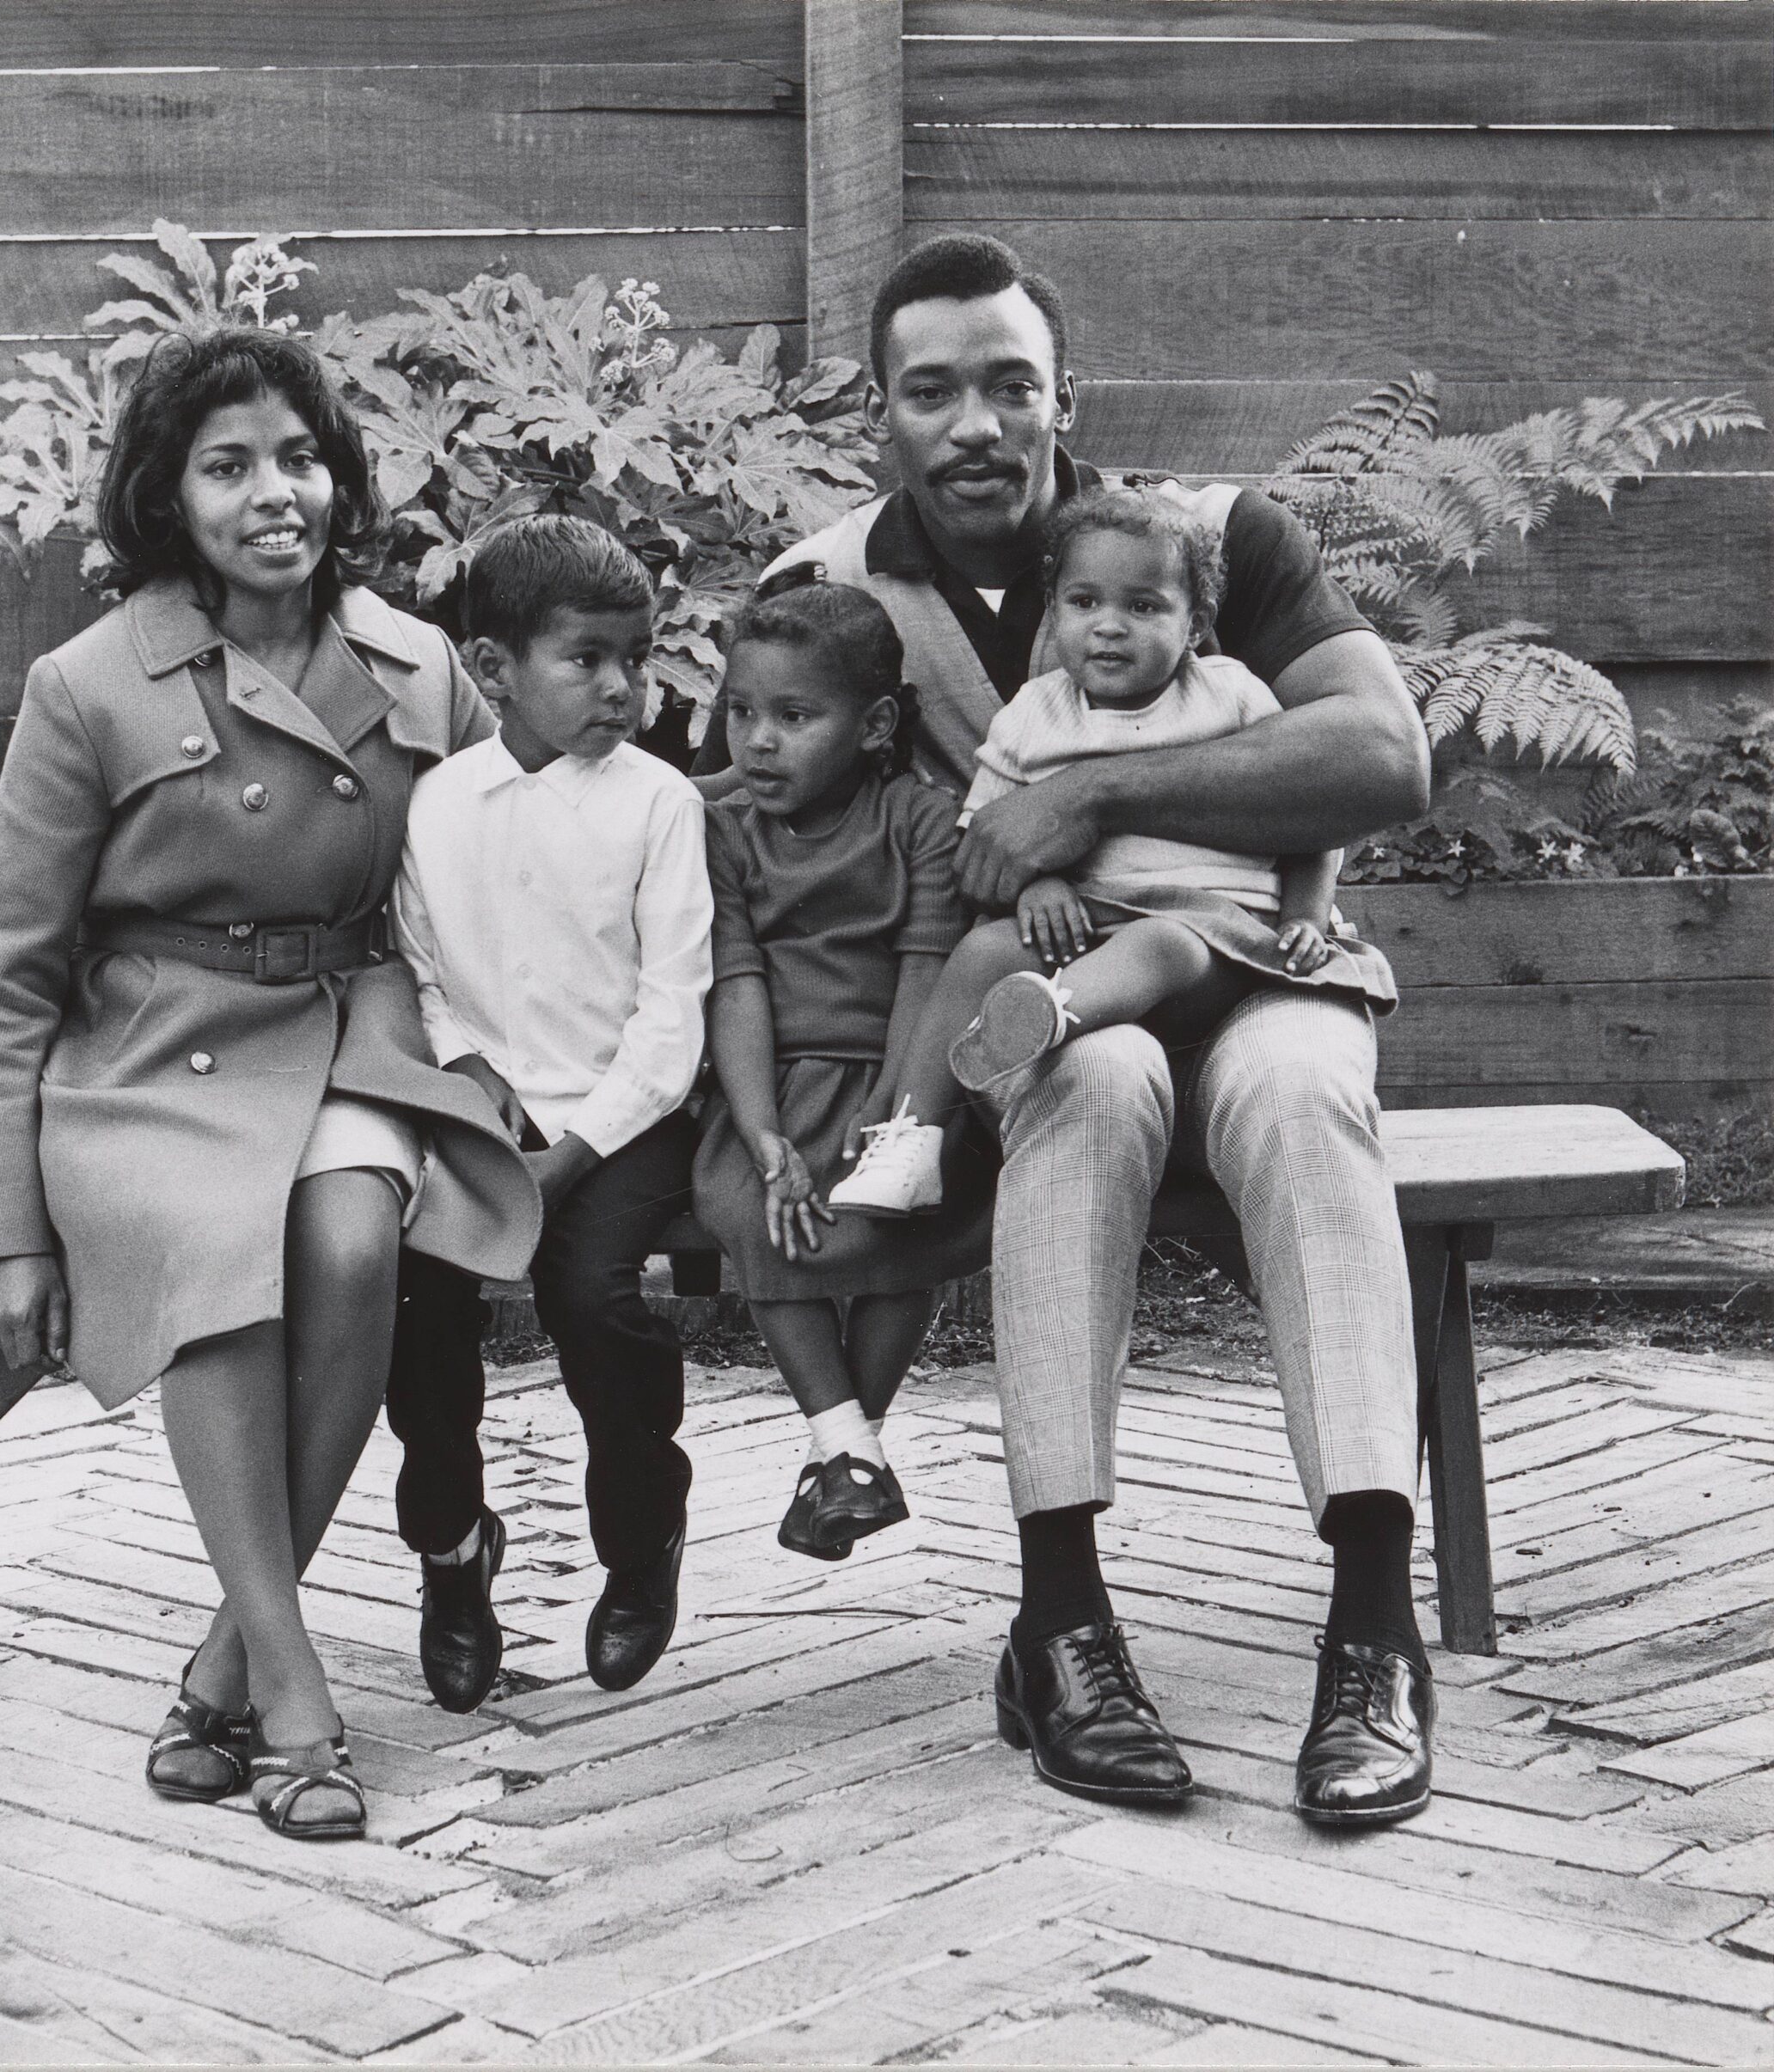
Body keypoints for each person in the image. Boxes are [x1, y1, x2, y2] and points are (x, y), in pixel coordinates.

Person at [697, 234, 1438, 1827]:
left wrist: (1089, 794)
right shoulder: (824, 596)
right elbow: (751, 857)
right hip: (1045, 1007)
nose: (976, 422)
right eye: (933, 391)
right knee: (1083, 1080)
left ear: (1062, 399)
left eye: (1010, 384)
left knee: (1309, 1092)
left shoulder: (1211, 535)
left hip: (1259, 968)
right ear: (881, 416)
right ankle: (1063, 1626)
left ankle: (1375, 1626)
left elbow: (1384, 755)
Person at [0, 327, 539, 1840]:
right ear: (168, 496)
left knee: (348, 1237)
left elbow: (497, 893)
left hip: (353, 1021)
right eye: (228, 466)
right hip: (156, 1045)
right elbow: (13, 968)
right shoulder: (90, 685)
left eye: (298, 459)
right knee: (228, 1261)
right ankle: (290, 1694)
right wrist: (2, 1231)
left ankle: (223, 1658)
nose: (274, 493)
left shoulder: (419, 669)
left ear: (339, 480)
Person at [835, 485, 1397, 1215]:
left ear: (1196, 623)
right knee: (983, 954)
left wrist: (1308, 916)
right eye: (1084, 602)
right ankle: (911, 1140)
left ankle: (1050, 1020)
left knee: (1159, 944)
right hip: (1087, 929)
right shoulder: (1033, 714)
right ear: (1054, 608)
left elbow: (1315, 819)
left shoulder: (1229, 694)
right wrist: (1033, 888)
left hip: (1216, 940)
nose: (1108, 627)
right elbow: (987, 836)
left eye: (1142, 607)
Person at [386, 515, 713, 1711]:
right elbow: (420, 969)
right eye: (587, 658)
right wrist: (470, 1078)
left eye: (638, 655)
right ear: (491, 666)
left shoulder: (660, 804)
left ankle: (639, 1539)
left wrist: (571, 1154)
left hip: (621, 1122)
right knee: (415, 1303)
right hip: (482, 1115)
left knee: (595, 1295)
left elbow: (676, 1009)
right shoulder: (434, 806)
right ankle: (453, 1546)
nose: (623, 685)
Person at [691, 570, 994, 1560]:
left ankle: (841, 1456)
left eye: (792, 715)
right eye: (740, 712)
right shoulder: (724, 828)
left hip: (907, 1075)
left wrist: (893, 1117)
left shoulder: (917, 818)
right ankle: (846, 1451)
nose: (758, 740)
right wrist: (763, 1132)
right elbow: (734, 980)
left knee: (912, 1217)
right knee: (754, 1206)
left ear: (871, 726)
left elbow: (924, 971)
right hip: (773, 1081)